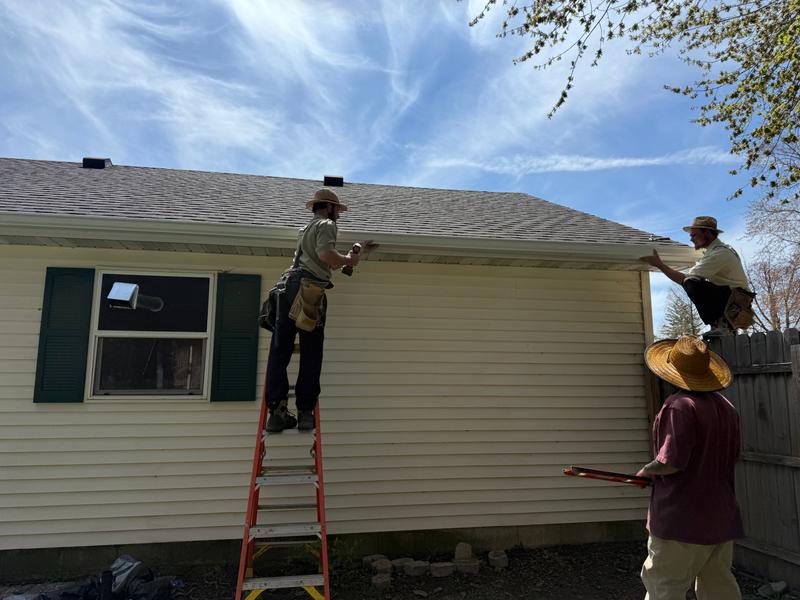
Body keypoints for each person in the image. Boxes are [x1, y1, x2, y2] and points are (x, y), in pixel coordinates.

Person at [636, 335, 744, 600]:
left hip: (682, 520)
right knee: (719, 589)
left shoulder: (679, 406)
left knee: (665, 588)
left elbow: (670, 462)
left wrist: (647, 471)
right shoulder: (726, 407)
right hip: (720, 517)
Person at [265, 188, 376, 432]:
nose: (339, 214)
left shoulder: (304, 229)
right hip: (308, 291)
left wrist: (347, 257)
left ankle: (276, 412)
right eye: (338, 209)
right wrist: (350, 260)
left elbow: (318, 260)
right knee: (311, 352)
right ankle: (305, 413)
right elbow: (327, 256)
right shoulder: (327, 224)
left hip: (285, 289)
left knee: (279, 351)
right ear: (329, 207)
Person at [639, 216, 753, 335]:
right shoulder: (714, 251)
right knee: (694, 281)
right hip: (734, 301)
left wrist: (660, 265)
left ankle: (722, 326)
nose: (691, 239)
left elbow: (685, 279)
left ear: (707, 233)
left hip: (737, 304)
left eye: (694, 235)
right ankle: (722, 324)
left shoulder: (719, 254)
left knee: (691, 283)